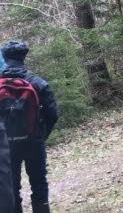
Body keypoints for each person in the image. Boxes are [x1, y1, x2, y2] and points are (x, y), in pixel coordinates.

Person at [1, 41, 59, 213]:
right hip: (34, 141)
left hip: (5, 147)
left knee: (11, 188)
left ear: (4, 57)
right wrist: (40, 134)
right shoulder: (38, 83)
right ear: (24, 57)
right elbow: (53, 114)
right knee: (39, 183)